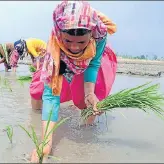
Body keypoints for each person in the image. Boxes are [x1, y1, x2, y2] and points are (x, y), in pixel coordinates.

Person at [29, 1, 117, 162]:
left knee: (88, 98)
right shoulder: (55, 46)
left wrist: (89, 92)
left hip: (90, 61)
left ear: (91, 35)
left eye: (81, 42)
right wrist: (46, 142)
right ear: (60, 34)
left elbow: (94, 64)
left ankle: (87, 127)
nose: (74, 47)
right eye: (68, 41)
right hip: (62, 60)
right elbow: (51, 96)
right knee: (40, 89)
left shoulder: (100, 35)